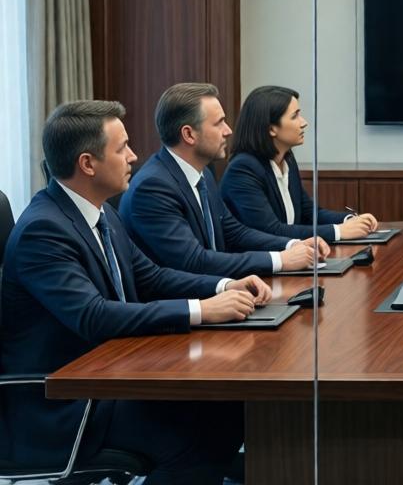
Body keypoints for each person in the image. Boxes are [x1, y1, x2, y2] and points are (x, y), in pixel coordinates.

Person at [0, 100, 270, 485]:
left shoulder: (100, 212)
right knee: (193, 438)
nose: (134, 155)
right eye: (121, 147)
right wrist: (202, 310)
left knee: (226, 409)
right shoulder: (43, 231)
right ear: (87, 164)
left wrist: (225, 286)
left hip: (107, 377)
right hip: (62, 405)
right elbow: (94, 316)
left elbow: (152, 277)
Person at [121, 83, 327, 278]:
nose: (228, 130)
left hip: (221, 291)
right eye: (219, 123)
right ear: (189, 134)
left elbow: (234, 232)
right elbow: (193, 261)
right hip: (182, 305)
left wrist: (292, 245)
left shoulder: (204, 174)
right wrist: (280, 260)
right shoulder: (152, 187)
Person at [220, 85, 379, 241]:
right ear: (271, 129)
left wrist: (350, 220)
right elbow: (271, 230)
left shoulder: (286, 158)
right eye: (294, 116)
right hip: (262, 263)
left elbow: (308, 213)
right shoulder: (243, 169)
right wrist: (338, 231)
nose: (303, 123)